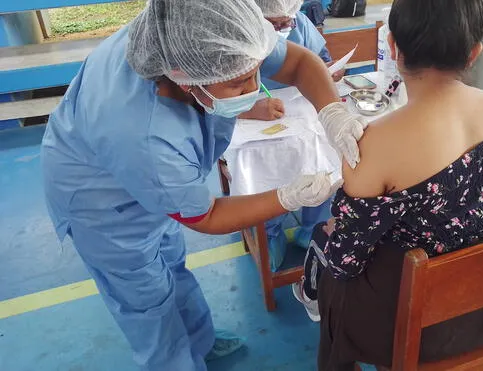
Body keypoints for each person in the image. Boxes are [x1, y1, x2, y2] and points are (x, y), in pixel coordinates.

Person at [40, 0, 369, 370]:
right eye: (237, 84)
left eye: (257, 70)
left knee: (170, 260)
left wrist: (333, 112)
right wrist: (287, 196)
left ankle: (199, 340)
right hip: (101, 203)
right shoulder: (145, 136)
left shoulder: (206, 30)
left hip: (150, 174)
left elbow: (297, 62)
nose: (255, 86)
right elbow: (206, 216)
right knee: (146, 299)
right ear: (184, 77)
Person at [290, 0, 483, 369]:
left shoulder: (374, 144)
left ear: (392, 46)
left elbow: (347, 262)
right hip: (478, 298)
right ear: (474, 52)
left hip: (404, 318)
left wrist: (332, 230)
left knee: (326, 245)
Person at [240, 0, 344, 272]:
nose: (285, 28)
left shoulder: (300, 22)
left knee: (323, 152)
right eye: (276, 24)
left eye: (288, 22)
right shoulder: (238, 37)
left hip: (301, 110)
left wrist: (328, 70)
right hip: (255, 121)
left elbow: (317, 58)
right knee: (270, 162)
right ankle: (270, 229)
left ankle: (314, 225)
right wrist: (249, 108)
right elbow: (212, 96)